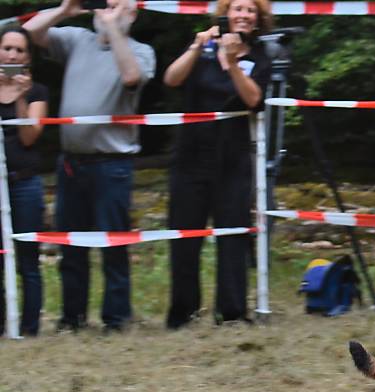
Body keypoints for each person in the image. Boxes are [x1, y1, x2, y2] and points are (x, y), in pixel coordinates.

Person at [25, 0, 155, 332]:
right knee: (71, 245)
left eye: (116, 6)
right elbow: (27, 35)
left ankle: (116, 319)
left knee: (113, 245)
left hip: (112, 165)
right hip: (71, 165)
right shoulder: (77, 39)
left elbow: (131, 77)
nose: (107, 11)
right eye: (104, 5)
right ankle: (72, 318)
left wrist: (112, 27)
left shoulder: (140, 51)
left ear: (132, 13)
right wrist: (65, 9)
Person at [162, 0, 272, 328]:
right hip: (190, 157)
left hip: (232, 159)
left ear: (258, 20)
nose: (243, 15)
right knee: (184, 236)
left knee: (232, 236)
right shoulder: (203, 50)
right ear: (225, 15)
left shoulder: (260, 58)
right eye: (237, 9)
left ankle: (232, 312)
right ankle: (183, 312)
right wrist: (198, 45)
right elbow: (171, 79)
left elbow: (254, 100)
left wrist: (235, 63)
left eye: (250, 11)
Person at [0, 27, 48, 337]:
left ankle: (29, 328)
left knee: (28, 260)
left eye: (19, 50)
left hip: (25, 183)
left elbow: (30, 137)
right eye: (7, 48)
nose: (12, 55)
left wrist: (20, 98)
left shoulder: (38, 92)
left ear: (28, 57)